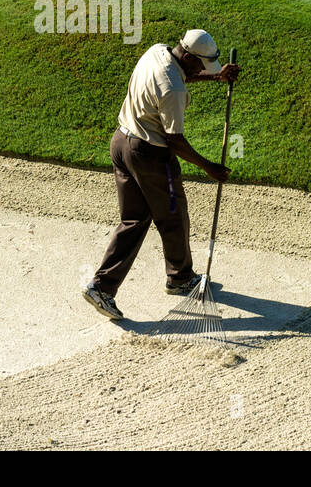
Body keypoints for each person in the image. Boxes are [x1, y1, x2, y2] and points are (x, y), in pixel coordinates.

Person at [82, 29, 240, 320]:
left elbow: (180, 75)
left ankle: (101, 286)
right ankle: (180, 277)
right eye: (201, 65)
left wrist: (215, 77)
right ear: (189, 56)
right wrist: (209, 167)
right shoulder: (173, 92)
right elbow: (175, 141)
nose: (201, 70)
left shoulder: (158, 51)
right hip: (150, 155)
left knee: (134, 219)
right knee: (173, 215)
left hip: (121, 143)